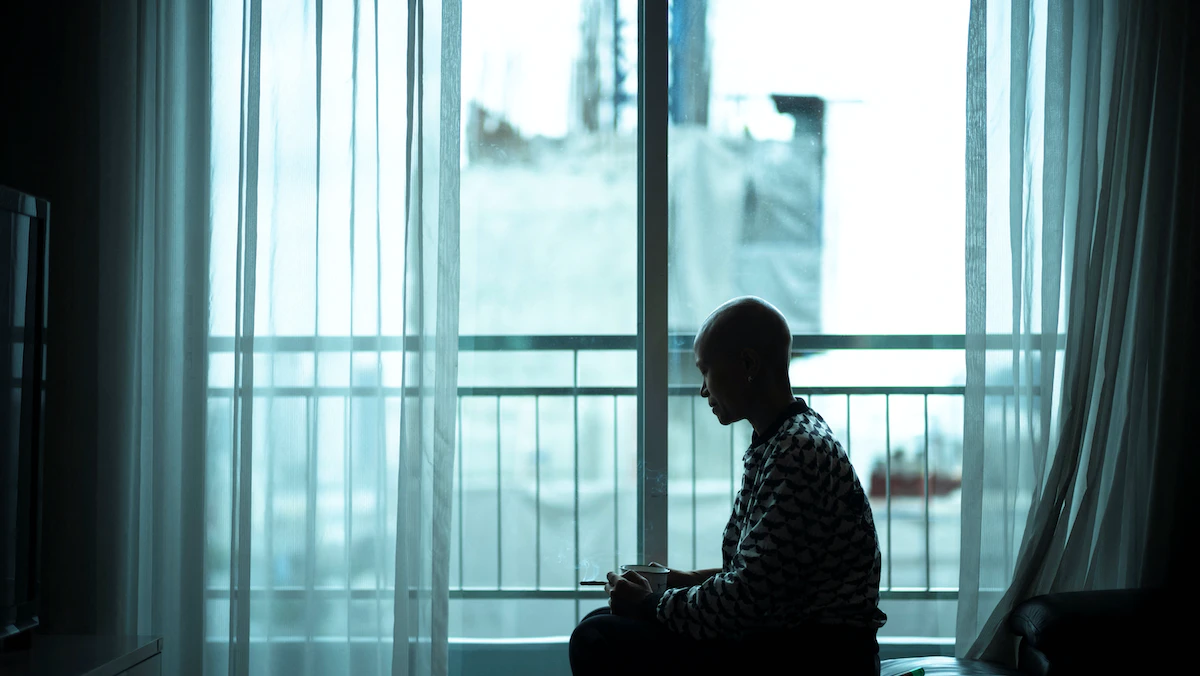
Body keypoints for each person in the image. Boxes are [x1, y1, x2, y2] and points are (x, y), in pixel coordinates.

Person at [569, 297, 886, 675]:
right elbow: (750, 574)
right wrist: (673, 582)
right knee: (601, 620)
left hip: (812, 652)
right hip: (786, 636)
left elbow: (746, 601)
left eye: (706, 372)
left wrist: (649, 604)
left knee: (597, 636)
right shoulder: (783, 439)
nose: (703, 390)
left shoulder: (796, 452)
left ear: (748, 365)